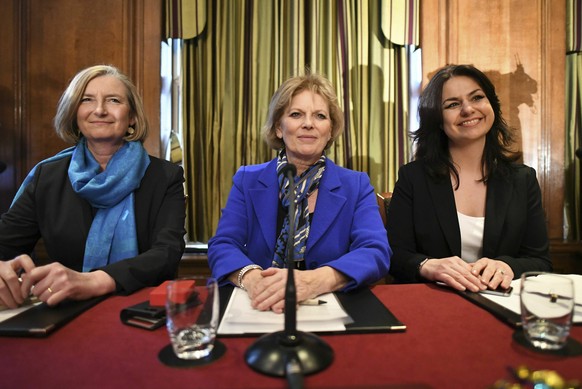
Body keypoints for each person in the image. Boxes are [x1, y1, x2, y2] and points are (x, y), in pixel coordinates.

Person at [0, 65, 186, 308]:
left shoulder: (165, 176)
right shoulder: (47, 176)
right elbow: (6, 245)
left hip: (142, 309)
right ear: (75, 114)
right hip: (64, 311)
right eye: (87, 100)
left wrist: (94, 281)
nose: (99, 110)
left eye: (113, 100)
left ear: (132, 117)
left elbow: (167, 253)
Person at [208, 72, 391, 313]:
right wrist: (253, 280)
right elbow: (223, 245)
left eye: (320, 116)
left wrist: (315, 281)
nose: (308, 123)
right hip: (261, 305)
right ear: (278, 128)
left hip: (332, 306)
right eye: (296, 114)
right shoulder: (247, 179)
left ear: (330, 130)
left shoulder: (356, 184)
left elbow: (375, 251)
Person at [386, 64, 552, 293]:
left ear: (491, 105)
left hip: (502, 303)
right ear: (437, 119)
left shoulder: (523, 179)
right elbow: (394, 255)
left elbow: (541, 262)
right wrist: (428, 265)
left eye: (477, 98)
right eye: (453, 104)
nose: (468, 109)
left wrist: (507, 266)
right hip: (435, 302)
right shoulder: (412, 177)